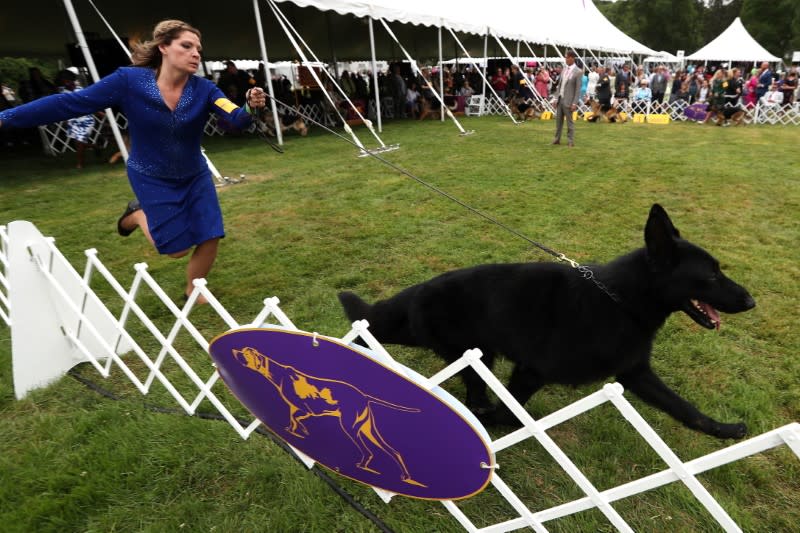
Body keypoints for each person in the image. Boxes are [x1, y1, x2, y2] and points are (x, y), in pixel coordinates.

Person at [0, 20, 266, 304]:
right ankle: (137, 213)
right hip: (150, 174)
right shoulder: (129, 81)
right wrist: (6, 118)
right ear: (164, 47)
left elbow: (236, 118)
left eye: (198, 49)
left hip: (194, 173)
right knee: (176, 249)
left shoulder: (205, 90)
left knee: (211, 232)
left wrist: (251, 105)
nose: (195, 54)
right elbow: (69, 104)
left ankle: (194, 289)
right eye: (186, 46)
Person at [551, 51, 582, 147]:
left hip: (569, 101)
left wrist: (575, 103)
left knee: (570, 122)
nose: (565, 59)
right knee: (558, 122)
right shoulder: (564, 70)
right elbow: (559, 86)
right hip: (560, 99)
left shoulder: (578, 72)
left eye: (567, 57)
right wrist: (555, 98)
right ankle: (557, 139)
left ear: (572, 58)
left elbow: (577, 90)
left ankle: (570, 141)